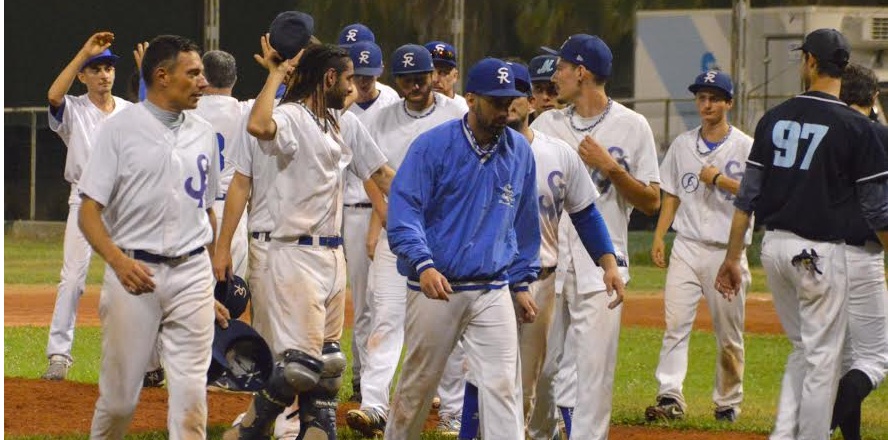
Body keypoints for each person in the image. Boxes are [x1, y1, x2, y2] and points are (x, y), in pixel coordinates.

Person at [715, 29, 888, 440]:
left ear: (810, 61)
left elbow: (748, 198)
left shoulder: (773, 118)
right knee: (825, 360)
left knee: (804, 351)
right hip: (820, 254)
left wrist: (732, 257)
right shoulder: (855, 127)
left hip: (774, 248)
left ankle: (783, 434)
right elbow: (877, 210)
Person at [223, 34, 393, 440]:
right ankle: (252, 427)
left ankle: (317, 432)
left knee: (330, 365)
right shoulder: (293, 117)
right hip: (290, 255)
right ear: (329, 78)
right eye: (346, 79)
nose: (352, 88)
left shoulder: (337, 121)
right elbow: (259, 125)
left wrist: (430, 207)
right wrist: (279, 73)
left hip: (332, 254)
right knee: (300, 366)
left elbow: (384, 176)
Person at [456, 61, 626, 440]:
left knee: (528, 384)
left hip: (542, 281)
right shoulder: (474, 152)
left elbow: (586, 214)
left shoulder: (559, 154)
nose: (510, 103)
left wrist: (608, 263)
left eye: (517, 94)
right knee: (481, 374)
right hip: (488, 280)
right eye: (501, 96)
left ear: (531, 101)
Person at [382, 57, 540, 439]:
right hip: (436, 286)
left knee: (503, 386)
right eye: (496, 102)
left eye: (510, 101)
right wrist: (422, 263)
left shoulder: (519, 151)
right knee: (418, 387)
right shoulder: (432, 147)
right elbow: (404, 212)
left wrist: (520, 283)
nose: (506, 109)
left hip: (492, 287)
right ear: (471, 99)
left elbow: (524, 223)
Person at [79, 34, 224, 438]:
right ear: (162, 76)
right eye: (193, 73)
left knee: (193, 398)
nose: (202, 83)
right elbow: (89, 212)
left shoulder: (204, 132)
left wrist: (205, 286)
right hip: (134, 271)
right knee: (120, 400)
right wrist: (118, 261)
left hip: (193, 271)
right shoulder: (120, 129)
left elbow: (205, 211)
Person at [531, 34, 661, 439]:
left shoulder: (632, 125)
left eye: (563, 67)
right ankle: (538, 434)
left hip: (603, 264)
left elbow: (652, 202)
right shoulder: (546, 124)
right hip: (548, 262)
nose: (557, 76)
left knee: (593, 371)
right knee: (543, 367)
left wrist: (612, 168)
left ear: (582, 72)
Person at [345, 43, 467, 438]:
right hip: (399, 235)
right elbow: (371, 172)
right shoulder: (380, 119)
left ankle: (453, 411)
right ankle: (374, 406)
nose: (414, 84)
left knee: (450, 322)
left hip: (447, 236)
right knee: (386, 318)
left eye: (421, 76)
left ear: (434, 74)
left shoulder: (457, 113)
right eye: (406, 77)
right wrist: (384, 219)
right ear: (395, 80)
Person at [644, 70, 752, 423]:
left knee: (729, 335)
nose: (706, 104)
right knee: (675, 324)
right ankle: (669, 395)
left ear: (728, 103)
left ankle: (728, 402)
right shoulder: (682, 144)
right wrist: (661, 235)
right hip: (687, 246)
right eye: (701, 97)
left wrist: (719, 180)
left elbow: (758, 195)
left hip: (728, 252)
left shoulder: (747, 146)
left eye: (714, 98)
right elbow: (671, 193)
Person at [42, 31, 132, 382]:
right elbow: (53, 95)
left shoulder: (129, 111)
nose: (104, 74)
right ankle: (59, 355)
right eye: (96, 69)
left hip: (123, 204)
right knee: (73, 280)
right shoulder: (74, 109)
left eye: (108, 67)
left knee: (129, 280)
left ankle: (132, 360)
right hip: (84, 200)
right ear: (83, 75)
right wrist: (83, 53)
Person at [829, 63, 888, 440]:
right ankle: (815, 427)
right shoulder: (878, 135)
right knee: (875, 359)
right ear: (874, 97)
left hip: (818, 255)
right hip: (864, 254)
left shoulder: (821, 133)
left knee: (845, 359)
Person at [343, 39, 401, 404]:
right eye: (357, 76)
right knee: (357, 302)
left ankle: (370, 380)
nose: (363, 84)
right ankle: (358, 378)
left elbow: (379, 168)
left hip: (381, 211)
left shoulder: (391, 103)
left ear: (380, 72)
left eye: (369, 75)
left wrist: (383, 216)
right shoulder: (340, 102)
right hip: (345, 212)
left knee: (377, 302)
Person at [193, 50, 250, 281]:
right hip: (233, 213)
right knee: (231, 299)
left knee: (194, 297)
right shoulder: (248, 111)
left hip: (195, 208)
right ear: (234, 79)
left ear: (203, 78)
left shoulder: (187, 110)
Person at [426, 41, 467, 109]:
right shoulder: (406, 109)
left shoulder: (465, 110)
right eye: (430, 72)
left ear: (455, 76)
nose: (435, 79)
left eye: (443, 72)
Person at [527, 54, 562, 118]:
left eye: (552, 89)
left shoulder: (581, 125)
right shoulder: (520, 126)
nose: (545, 97)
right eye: (538, 89)